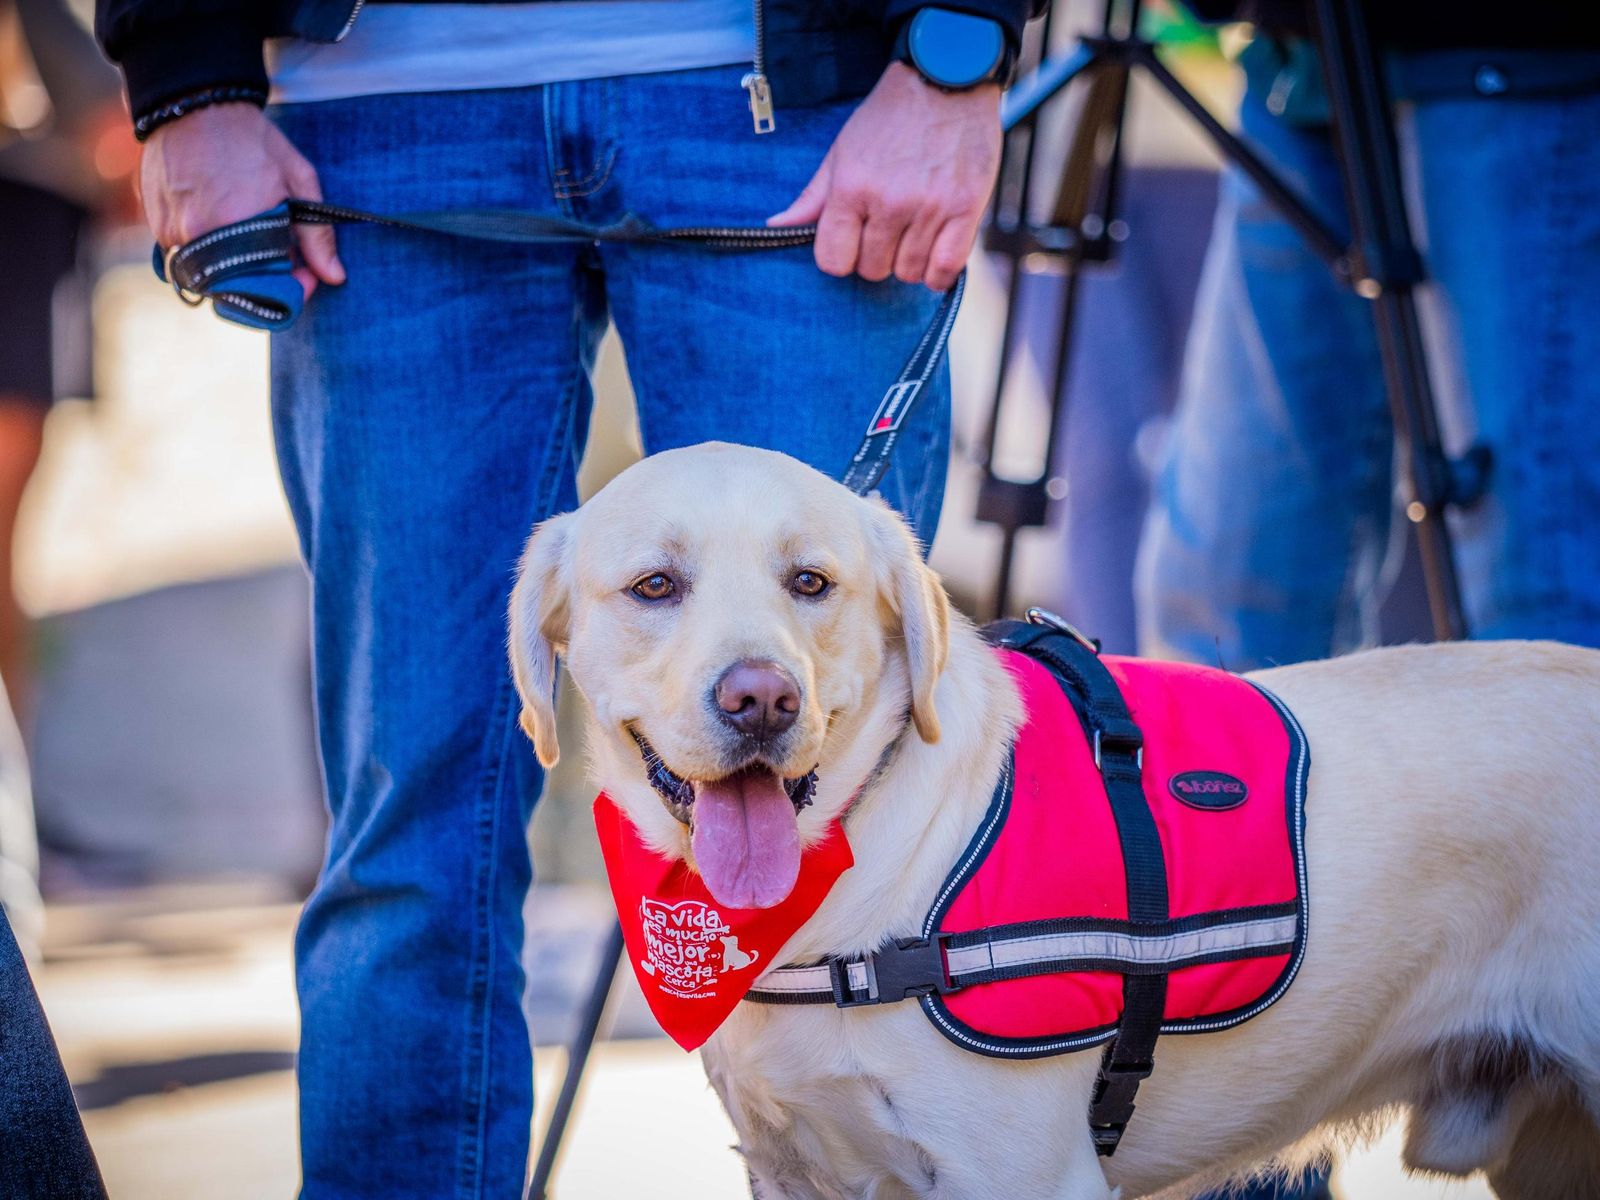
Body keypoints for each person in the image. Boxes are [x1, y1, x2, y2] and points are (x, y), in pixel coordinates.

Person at [93, 2, 1040, 1194]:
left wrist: (957, 47)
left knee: (890, 808)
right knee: (409, 826)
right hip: (376, 111)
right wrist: (186, 78)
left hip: (798, 93)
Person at [1137, 7, 1600, 1200]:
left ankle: (1525, 1064)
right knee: (1222, 631)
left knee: (1546, 632)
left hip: (1524, 61)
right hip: (1292, 65)